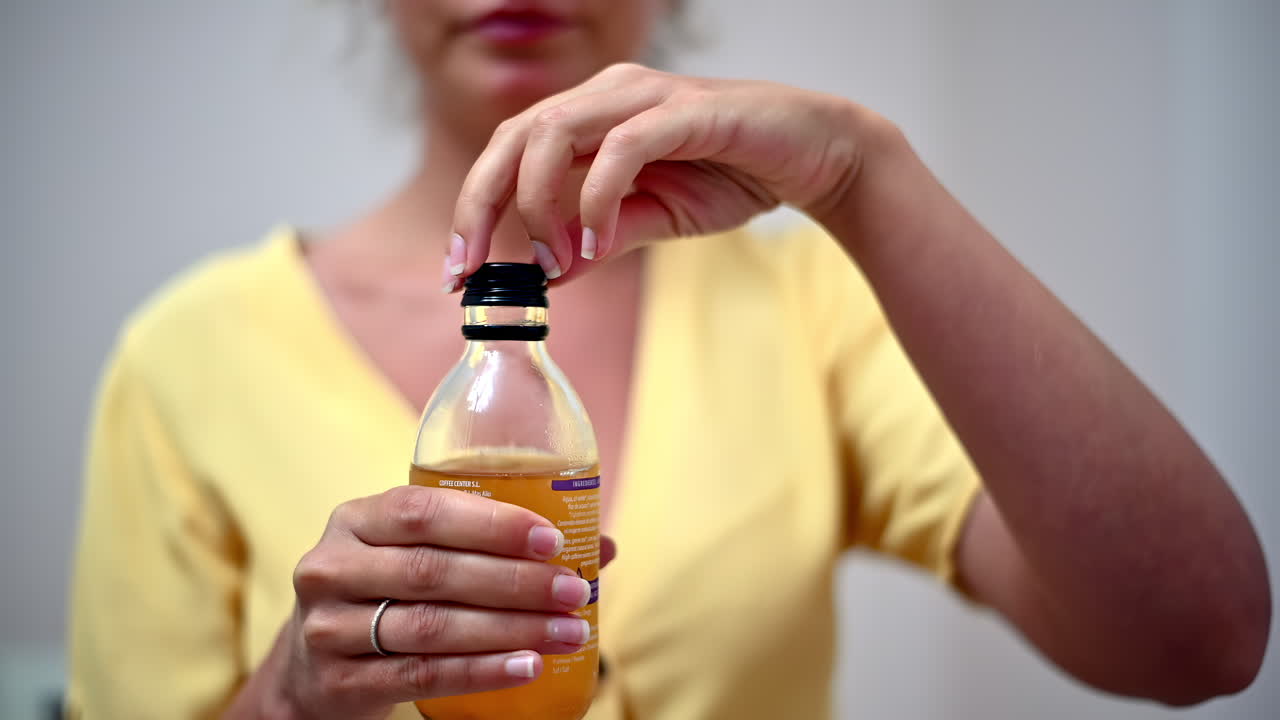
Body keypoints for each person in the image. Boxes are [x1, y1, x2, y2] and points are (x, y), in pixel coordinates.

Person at [66, 2, 1271, 719]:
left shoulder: (802, 303)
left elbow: (1197, 642)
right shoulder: (187, 354)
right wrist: (288, 693)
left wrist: (863, 175)